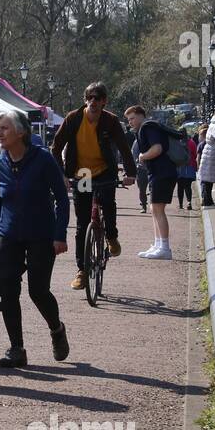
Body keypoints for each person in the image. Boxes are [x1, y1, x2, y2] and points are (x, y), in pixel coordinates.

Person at [0, 108, 71, 368]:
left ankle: (56, 329)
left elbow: (62, 200)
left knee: (38, 291)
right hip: (7, 235)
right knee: (8, 292)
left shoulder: (43, 160)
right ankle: (16, 349)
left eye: (4, 128)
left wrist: (59, 234)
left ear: (21, 132)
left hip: (41, 235)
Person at [48, 81, 136, 291]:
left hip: (104, 170)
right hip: (83, 173)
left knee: (108, 203)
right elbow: (56, 147)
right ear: (85, 100)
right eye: (89, 98)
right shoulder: (74, 118)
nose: (93, 101)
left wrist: (131, 173)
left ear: (104, 101)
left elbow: (124, 148)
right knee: (82, 222)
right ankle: (82, 271)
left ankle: (111, 236)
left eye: (97, 98)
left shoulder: (110, 121)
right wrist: (62, 175)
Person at [124, 105, 177, 260]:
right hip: (158, 173)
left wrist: (142, 156)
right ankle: (158, 244)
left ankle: (165, 248)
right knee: (154, 209)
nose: (131, 122)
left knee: (158, 210)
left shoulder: (148, 127)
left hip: (162, 172)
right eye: (129, 120)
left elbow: (157, 148)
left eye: (133, 118)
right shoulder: (144, 129)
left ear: (141, 115)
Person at [176, 132, 198, 210]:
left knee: (180, 186)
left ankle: (180, 204)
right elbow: (195, 154)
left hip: (179, 167)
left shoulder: (177, 142)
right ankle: (189, 202)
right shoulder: (191, 142)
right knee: (188, 186)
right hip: (189, 167)